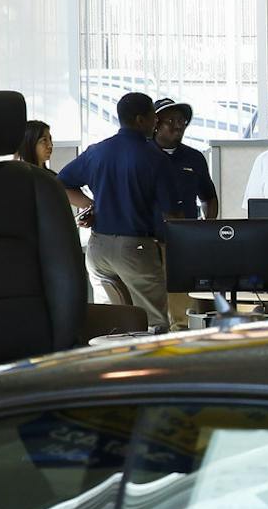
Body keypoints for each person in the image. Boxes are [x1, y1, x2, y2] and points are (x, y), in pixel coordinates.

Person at [58, 91, 179, 333]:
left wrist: (91, 205)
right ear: (140, 120)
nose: (156, 122)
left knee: (111, 323)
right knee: (153, 323)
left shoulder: (97, 152)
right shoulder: (155, 158)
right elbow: (171, 215)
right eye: (153, 117)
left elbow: (61, 183)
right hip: (137, 250)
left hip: (98, 249)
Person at [153, 98, 219, 220]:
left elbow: (209, 198)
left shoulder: (194, 157)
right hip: (150, 236)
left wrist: (207, 226)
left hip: (187, 234)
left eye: (181, 120)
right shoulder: (143, 156)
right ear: (156, 124)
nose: (178, 126)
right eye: (171, 121)